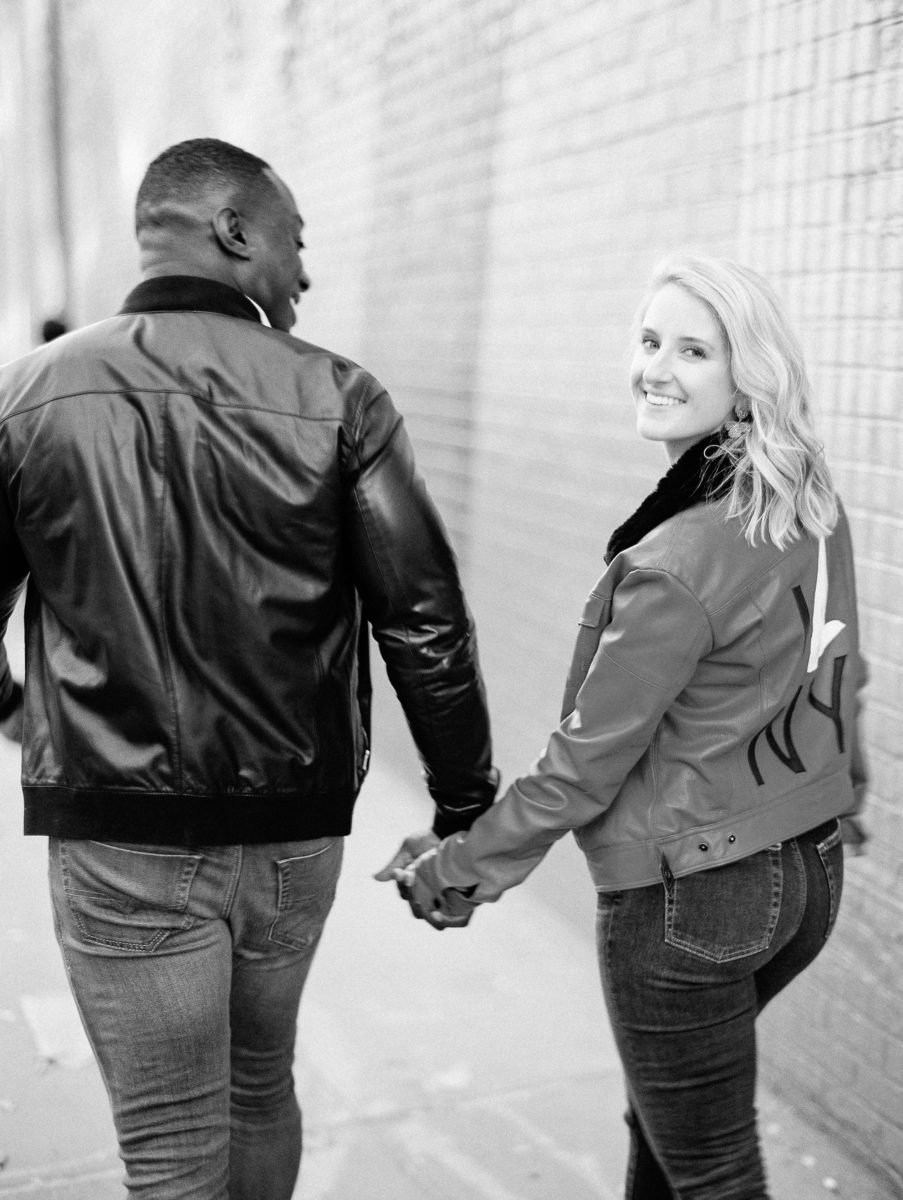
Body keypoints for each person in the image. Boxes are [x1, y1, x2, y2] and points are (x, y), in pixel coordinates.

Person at [0, 137, 498, 1199]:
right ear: (232, 232)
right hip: (290, 835)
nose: (303, 274)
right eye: (294, 244)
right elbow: (424, 621)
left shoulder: (28, 396)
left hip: (116, 836)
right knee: (260, 1085)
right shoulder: (342, 397)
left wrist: (13, 710)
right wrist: (465, 808)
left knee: (172, 1149)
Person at [395, 253, 868, 1199]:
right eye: (649, 340)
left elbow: (580, 768)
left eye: (693, 349)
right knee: (671, 1136)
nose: (653, 367)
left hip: (692, 900)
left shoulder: (675, 562)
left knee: (713, 1171)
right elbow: (835, 673)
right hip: (808, 875)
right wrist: (842, 800)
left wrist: (461, 867)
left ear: (747, 378)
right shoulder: (801, 505)